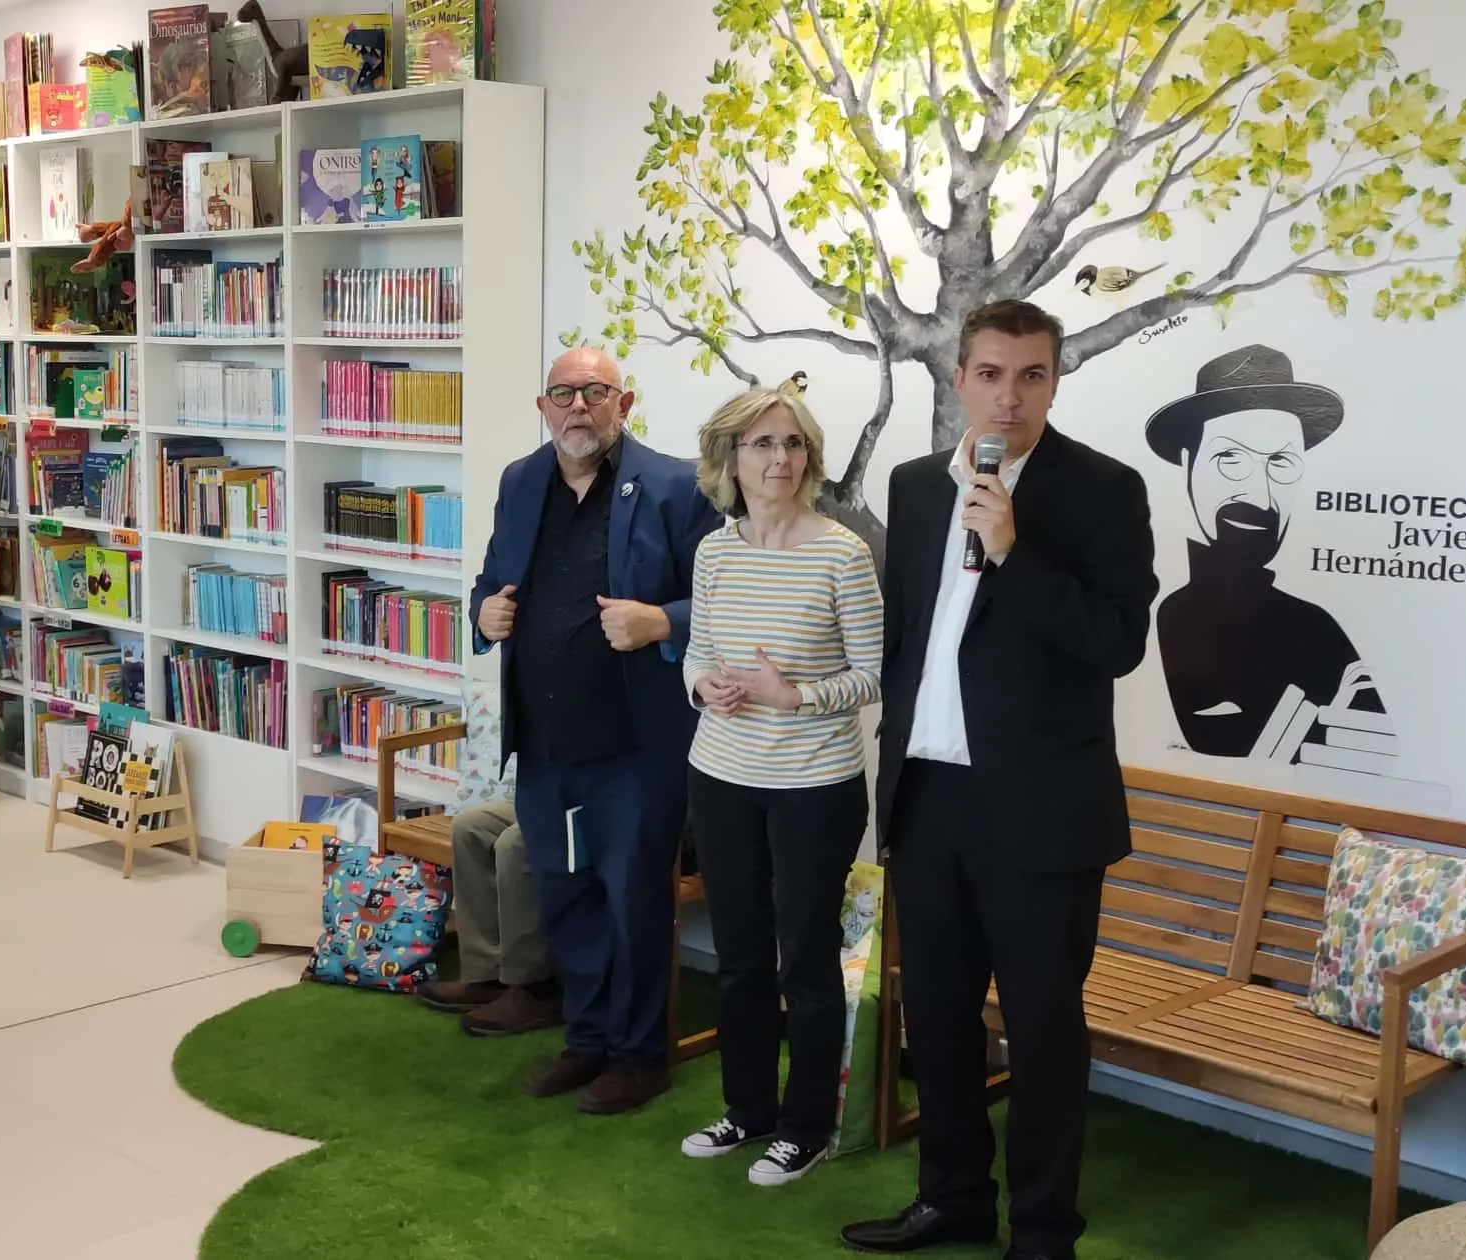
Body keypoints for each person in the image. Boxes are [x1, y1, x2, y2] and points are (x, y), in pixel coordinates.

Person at [840, 300, 1158, 1260]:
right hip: (929, 798)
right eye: (989, 374)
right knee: (934, 1022)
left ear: (1055, 381)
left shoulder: (1104, 490)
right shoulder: (915, 485)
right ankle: (953, 1200)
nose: (1008, 397)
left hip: (1042, 815)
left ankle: (1046, 1231)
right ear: (958, 379)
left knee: (1043, 1032)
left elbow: (1116, 644)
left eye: (1031, 376)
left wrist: (1016, 553)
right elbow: (911, 644)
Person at [469, 346, 717, 1116]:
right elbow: (488, 581)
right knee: (568, 898)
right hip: (546, 741)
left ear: (624, 403)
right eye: (563, 394)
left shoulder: (678, 486)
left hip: (637, 750)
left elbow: (725, 596)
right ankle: (587, 1041)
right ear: (544, 406)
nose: (578, 406)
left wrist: (663, 621)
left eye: (594, 392)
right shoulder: (520, 481)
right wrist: (482, 616)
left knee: (633, 903)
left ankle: (640, 1058)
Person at [674, 385, 881, 1186]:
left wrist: (796, 696)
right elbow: (698, 654)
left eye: (792, 444)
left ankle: (806, 1129)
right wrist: (705, 689)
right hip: (721, 777)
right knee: (740, 958)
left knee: (805, 961)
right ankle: (747, 1111)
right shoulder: (715, 551)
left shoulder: (842, 552)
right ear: (732, 458)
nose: (779, 459)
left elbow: (870, 675)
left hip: (813, 787)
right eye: (762, 444)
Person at [1144, 344, 1386, 761]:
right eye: (1230, 458)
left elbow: (1376, 750)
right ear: (1188, 464)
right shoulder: (1170, 614)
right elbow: (1216, 745)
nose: (1260, 494)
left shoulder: (1316, 626)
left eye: (1280, 462)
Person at [413, 799, 563, 1036]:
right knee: (470, 826)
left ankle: (536, 989)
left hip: (603, 801)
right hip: (553, 793)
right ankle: (488, 976)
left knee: (514, 844)